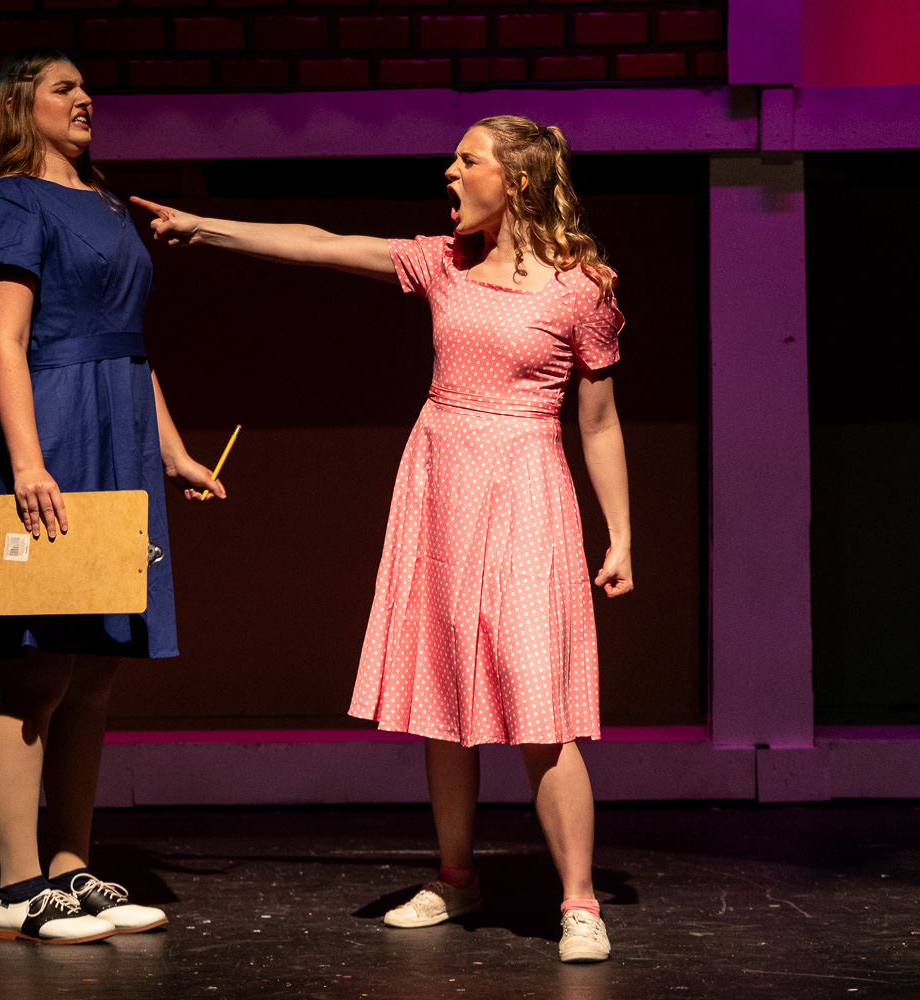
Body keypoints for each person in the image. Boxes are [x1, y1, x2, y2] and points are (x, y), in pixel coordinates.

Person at [132, 115, 632, 964]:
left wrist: (620, 535)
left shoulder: (580, 290)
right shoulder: (443, 263)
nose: (449, 172)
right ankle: (455, 876)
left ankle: (579, 903)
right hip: (442, 479)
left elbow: (599, 422)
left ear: (515, 180)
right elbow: (322, 245)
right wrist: (204, 227)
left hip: (526, 486)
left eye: (467, 160)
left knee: (539, 700)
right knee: (445, 690)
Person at [0, 49, 225, 945]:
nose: (85, 98)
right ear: (19, 107)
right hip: (54, 433)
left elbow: (127, 342)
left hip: (117, 433)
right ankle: (18, 888)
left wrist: (172, 451)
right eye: (64, 88)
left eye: (86, 86)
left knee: (94, 670)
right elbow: (4, 342)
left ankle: (71, 869)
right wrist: (27, 463)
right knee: (37, 666)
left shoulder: (104, 201)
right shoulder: (14, 200)